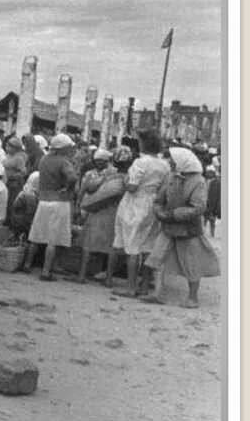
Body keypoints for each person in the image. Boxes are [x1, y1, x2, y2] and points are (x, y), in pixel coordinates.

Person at [143, 147, 221, 308]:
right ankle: (157, 293)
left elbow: (198, 207)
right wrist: (159, 212)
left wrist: (173, 215)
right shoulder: (171, 176)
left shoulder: (198, 181)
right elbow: (159, 199)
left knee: (191, 263)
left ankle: (193, 298)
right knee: (157, 258)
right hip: (168, 227)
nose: (170, 162)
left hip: (188, 230)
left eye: (173, 159)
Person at [112, 129, 170, 298]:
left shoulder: (140, 162)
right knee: (147, 246)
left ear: (142, 143)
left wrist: (124, 180)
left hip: (135, 202)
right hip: (152, 203)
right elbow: (164, 188)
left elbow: (131, 186)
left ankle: (130, 287)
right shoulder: (164, 164)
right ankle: (144, 286)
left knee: (132, 245)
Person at [24, 133, 79, 281]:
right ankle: (46, 271)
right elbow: (72, 178)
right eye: (68, 147)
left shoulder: (44, 159)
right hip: (59, 201)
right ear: (63, 148)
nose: (70, 149)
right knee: (52, 240)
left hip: (43, 201)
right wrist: (68, 188)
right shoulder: (64, 162)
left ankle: (27, 264)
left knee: (36, 236)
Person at [75, 148, 125, 286]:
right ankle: (107, 279)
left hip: (96, 210)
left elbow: (89, 189)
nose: (98, 163)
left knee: (89, 244)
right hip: (110, 211)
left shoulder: (99, 174)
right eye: (96, 161)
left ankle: (82, 275)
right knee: (110, 247)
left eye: (100, 161)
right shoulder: (120, 175)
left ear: (109, 160)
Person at [0, 135, 28, 223]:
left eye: (8, 146)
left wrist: (11, 176)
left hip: (14, 185)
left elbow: (23, 172)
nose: (6, 147)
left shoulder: (19, 158)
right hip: (6, 183)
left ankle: (12, 221)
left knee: (11, 203)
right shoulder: (8, 156)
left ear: (15, 148)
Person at [204, 165, 221, 237]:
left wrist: (216, 208)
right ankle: (203, 236)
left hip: (213, 205)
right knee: (203, 221)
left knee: (212, 221)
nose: (208, 174)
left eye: (210, 172)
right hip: (204, 204)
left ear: (213, 173)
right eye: (207, 172)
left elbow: (218, 196)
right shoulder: (205, 181)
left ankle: (212, 235)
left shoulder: (217, 182)